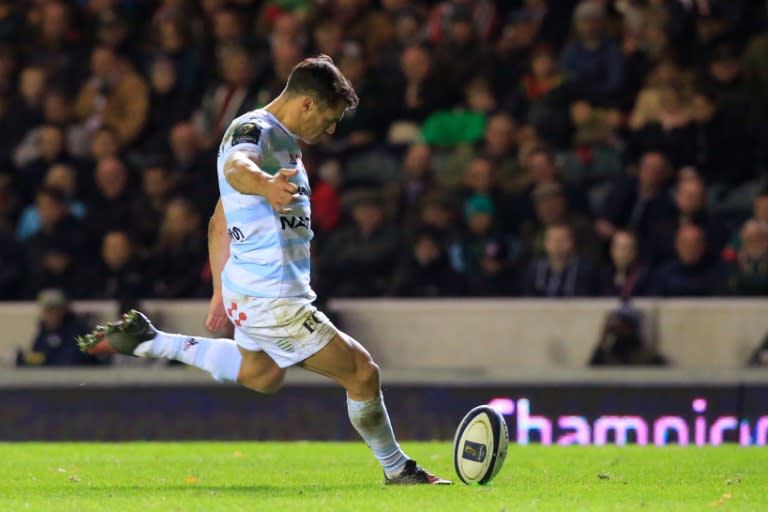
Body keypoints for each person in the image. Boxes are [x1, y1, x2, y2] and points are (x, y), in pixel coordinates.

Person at [77, 54, 451, 485]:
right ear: (307, 105)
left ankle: (153, 343)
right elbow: (239, 168)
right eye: (329, 118)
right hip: (274, 299)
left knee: (262, 374)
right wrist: (266, 184)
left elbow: (220, 221)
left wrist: (220, 292)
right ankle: (397, 469)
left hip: (249, 289)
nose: (331, 130)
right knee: (363, 372)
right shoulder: (253, 131)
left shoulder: (284, 140)